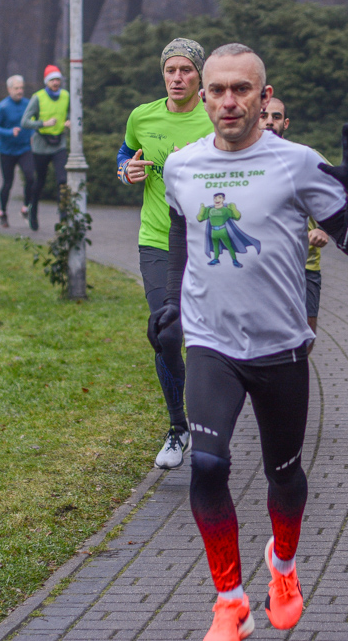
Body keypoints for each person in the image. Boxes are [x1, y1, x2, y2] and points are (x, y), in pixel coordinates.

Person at [148, 43, 348, 641]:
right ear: (203, 96)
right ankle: (229, 600)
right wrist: (172, 304)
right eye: (218, 90)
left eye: (242, 90)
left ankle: (283, 567)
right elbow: (180, 229)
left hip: (280, 347)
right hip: (211, 343)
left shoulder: (297, 162)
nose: (229, 101)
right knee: (207, 464)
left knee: (284, 475)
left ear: (263, 96)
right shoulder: (182, 165)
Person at [116, 38, 214, 470]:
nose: (177, 78)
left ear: (199, 76)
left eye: (186, 71)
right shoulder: (143, 115)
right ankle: (178, 427)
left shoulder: (214, 118)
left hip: (208, 242)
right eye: (171, 70)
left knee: (207, 342)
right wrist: (127, 170)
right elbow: (126, 152)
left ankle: (211, 422)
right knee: (166, 333)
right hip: (157, 240)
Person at [260, 96, 329, 354]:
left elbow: (337, 196)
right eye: (264, 115)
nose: (269, 122)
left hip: (304, 266)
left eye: (276, 117)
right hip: (259, 266)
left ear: (285, 123)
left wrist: (323, 229)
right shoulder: (238, 159)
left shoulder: (305, 158)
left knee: (306, 341)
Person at [20, 65, 70, 231]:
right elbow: (25, 122)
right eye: (52, 80)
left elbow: (70, 113)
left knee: (62, 180)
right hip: (41, 145)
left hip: (59, 144)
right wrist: (43, 123)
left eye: (58, 80)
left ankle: (63, 219)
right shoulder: (38, 98)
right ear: (47, 82)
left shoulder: (65, 96)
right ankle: (33, 213)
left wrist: (69, 121)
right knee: (38, 182)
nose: (56, 82)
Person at [0, 75, 36, 228]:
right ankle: (2, 212)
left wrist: (32, 134)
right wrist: (9, 132)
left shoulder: (28, 104)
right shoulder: (2, 107)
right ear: (9, 89)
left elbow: (34, 121)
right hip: (7, 151)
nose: (20, 91)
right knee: (7, 183)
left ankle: (25, 208)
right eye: (16, 88)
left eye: (21, 88)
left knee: (30, 178)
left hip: (24, 148)